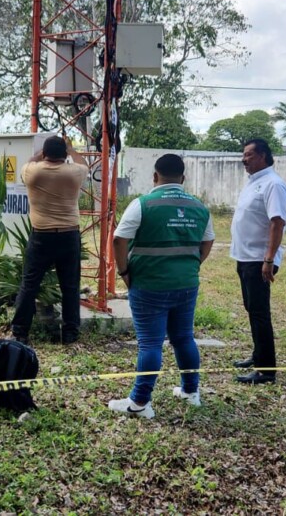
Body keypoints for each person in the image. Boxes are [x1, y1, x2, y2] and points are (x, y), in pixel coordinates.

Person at [107, 154, 214, 419]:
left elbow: (119, 240)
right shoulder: (200, 207)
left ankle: (140, 402)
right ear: (183, 178)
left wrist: (124, 272)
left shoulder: (143, 204)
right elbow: (208, 241)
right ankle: (191, 392)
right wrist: (191, 264)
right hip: (186, 284)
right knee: (183, 338)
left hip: (149, 285)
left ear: (155, 177)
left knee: (150, 344)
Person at [10, 135, 89, 345]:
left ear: (45, 153)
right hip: (69, 234)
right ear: (64, 155)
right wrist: (71, 149)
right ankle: (70, 334)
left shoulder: (32, 172)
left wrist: (39, 153)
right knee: (70, 287)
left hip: (41, 235)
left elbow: (30, 161)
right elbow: (84, 163)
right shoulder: (74, 173)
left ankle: (20, 332)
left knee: (29, 284)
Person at [229, 138, 286, 385]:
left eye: (249, 155)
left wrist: (268, 259)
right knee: (251, 309)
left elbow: (277, 222)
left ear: (263, 155)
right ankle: (258, 355)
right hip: (245, 257)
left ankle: (266, 370)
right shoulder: (254, 182)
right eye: (243, 155)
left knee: (260, 313)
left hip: (259, 259)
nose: (244, 160)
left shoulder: (273, 185)